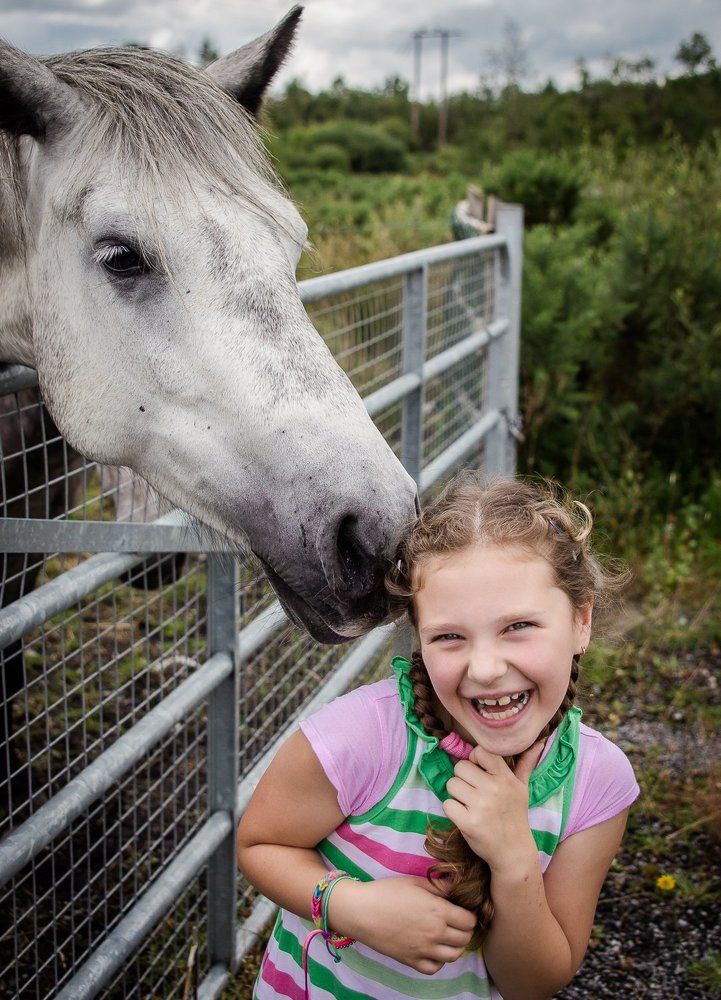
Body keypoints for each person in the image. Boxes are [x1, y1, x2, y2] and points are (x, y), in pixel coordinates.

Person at [237, 476, 640, 999]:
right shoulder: (362, 738)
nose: (487, 668)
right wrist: (350, 905)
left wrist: (514, 860)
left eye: (519, 626)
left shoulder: (597, 784)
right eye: (450, 636)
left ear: (580, 621)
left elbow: (532, 983)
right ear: (419, 638)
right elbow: (260, 844)